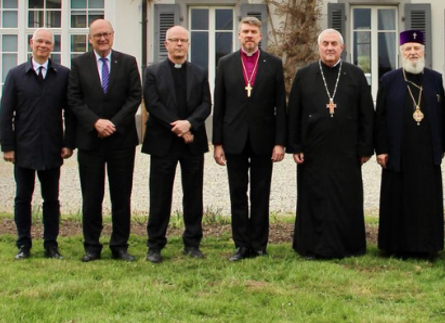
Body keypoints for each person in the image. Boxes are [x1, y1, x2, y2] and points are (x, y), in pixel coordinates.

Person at [287, 29, 374, 259]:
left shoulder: (356, 75)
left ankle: (349, 247)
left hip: (347, 151)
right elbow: (293, 113)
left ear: (342, 48)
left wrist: (366, 148)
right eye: (325, 43)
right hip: (313, 151)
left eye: (334, 43)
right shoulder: (304, 75)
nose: (329, 47)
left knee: (346, 198)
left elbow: (367, 114)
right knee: (313, 197)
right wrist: (295, 146)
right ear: (319, 47)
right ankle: (311, 247)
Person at [67, 19, 142, 262]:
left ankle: (120, 246)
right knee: (91, 196)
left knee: (121, 195)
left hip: (121, 140)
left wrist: (113, 123)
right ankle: (91, 246)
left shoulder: (128, 62)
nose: (102, 38)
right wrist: (95, 122)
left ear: (113, 35)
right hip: (91, 140)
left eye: (106, 34)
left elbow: (134, 97)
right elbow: (74, 99)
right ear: (90, 39)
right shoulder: (79, 64)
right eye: (97, 35)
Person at [212, 16, 286, 262]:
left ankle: (260, 244)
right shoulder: (226, 63)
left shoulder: (273, 64)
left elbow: (280, 106)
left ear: (261, 35)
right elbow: (219, 104)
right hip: (234, 139)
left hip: (264, 139)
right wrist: (217, 143)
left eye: (254, 32)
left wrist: (279, 142)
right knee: (237, 193)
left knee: (261, 192)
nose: (249, 36)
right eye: (245, 31)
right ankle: (241, 245)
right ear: (239, 35)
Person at [0, 28, 76, 260]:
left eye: (48, 42)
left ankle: (51, 245)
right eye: (39, 41)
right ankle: (23, 244)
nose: (43, 45)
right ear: (31, 43)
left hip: (52, 148)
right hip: (24, 149)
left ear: (53, 46)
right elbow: (6, 113)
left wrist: (68, 143)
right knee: (23, 198)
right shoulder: (16, 75)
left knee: (51, 199)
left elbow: (70, 112)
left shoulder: (62, 75)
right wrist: (8, 146)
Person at [375, 30, 445, 257]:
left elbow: (443, 115)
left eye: (417, 48)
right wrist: (382, 149)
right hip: (399, 151)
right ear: (401, 53)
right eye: (408, 49)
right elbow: (381, 117)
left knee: (426, 199)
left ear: (423, 52)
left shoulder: (435, 79)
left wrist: (441, 148)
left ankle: (427, 246)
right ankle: (396, 246)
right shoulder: (389, 80)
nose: (413, 52)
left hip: (427, 153)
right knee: (398, 199)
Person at [142, 26, 211, 263]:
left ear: (188, 44)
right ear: (166, 44)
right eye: (175, 40)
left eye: (183, 40)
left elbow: (206, 105)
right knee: (160, 195)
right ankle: (155, 245)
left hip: (192, 143)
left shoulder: (200, 73)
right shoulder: (153, 72)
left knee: (193, 195)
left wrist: (190, 124)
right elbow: (153, 104)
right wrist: (180, 127)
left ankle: (192, 243)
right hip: (163, 142)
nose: (179, 44)